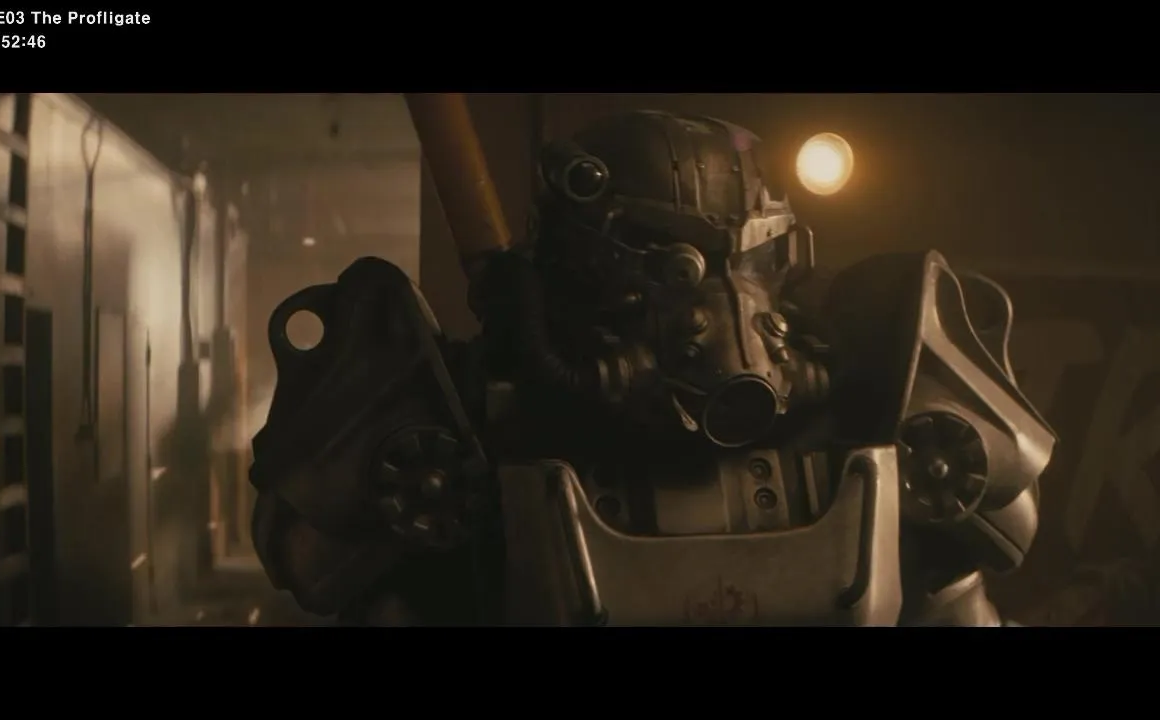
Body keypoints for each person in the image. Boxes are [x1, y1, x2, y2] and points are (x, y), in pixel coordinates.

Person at [247, 110, 1056, 626]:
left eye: (743, 264)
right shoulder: (474, 426)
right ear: (575, 275)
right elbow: (323, 568)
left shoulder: (868, 410)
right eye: (674, 270)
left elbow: (961, 595)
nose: (719, 308)